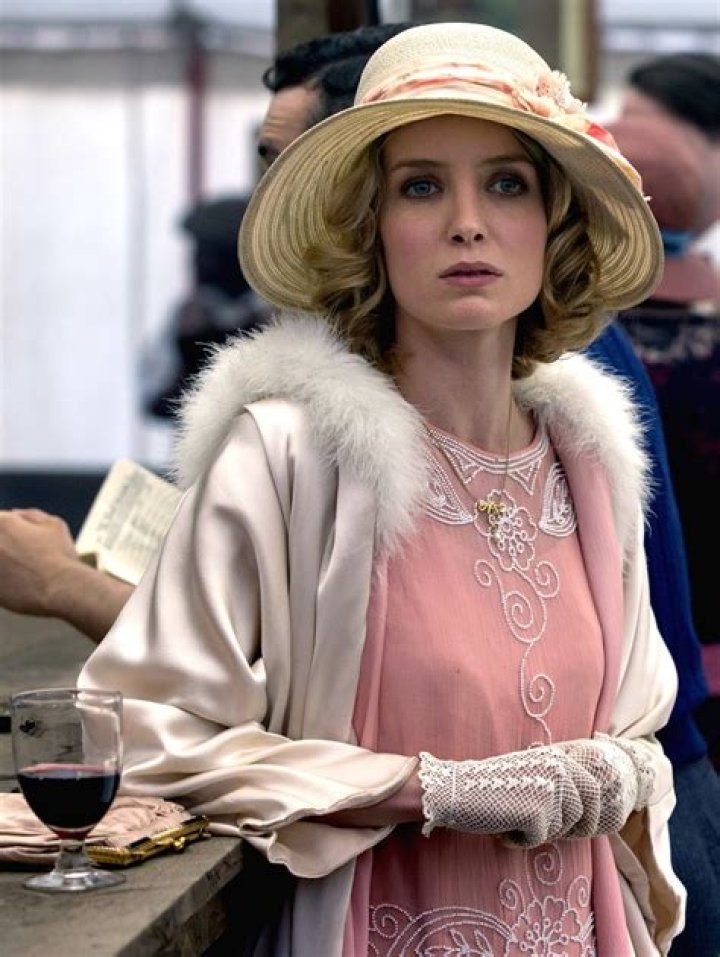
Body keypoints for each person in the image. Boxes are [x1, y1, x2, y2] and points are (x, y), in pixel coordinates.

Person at [79, 22, 684, 956]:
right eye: (421, 186)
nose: (467, 222)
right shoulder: (286, 453)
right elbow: (144, 728)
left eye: (507, 184)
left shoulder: (593, 460)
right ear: (370, 227)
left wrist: (626, 769)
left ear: (552, 223)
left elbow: (637, 724)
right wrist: (429, 789)